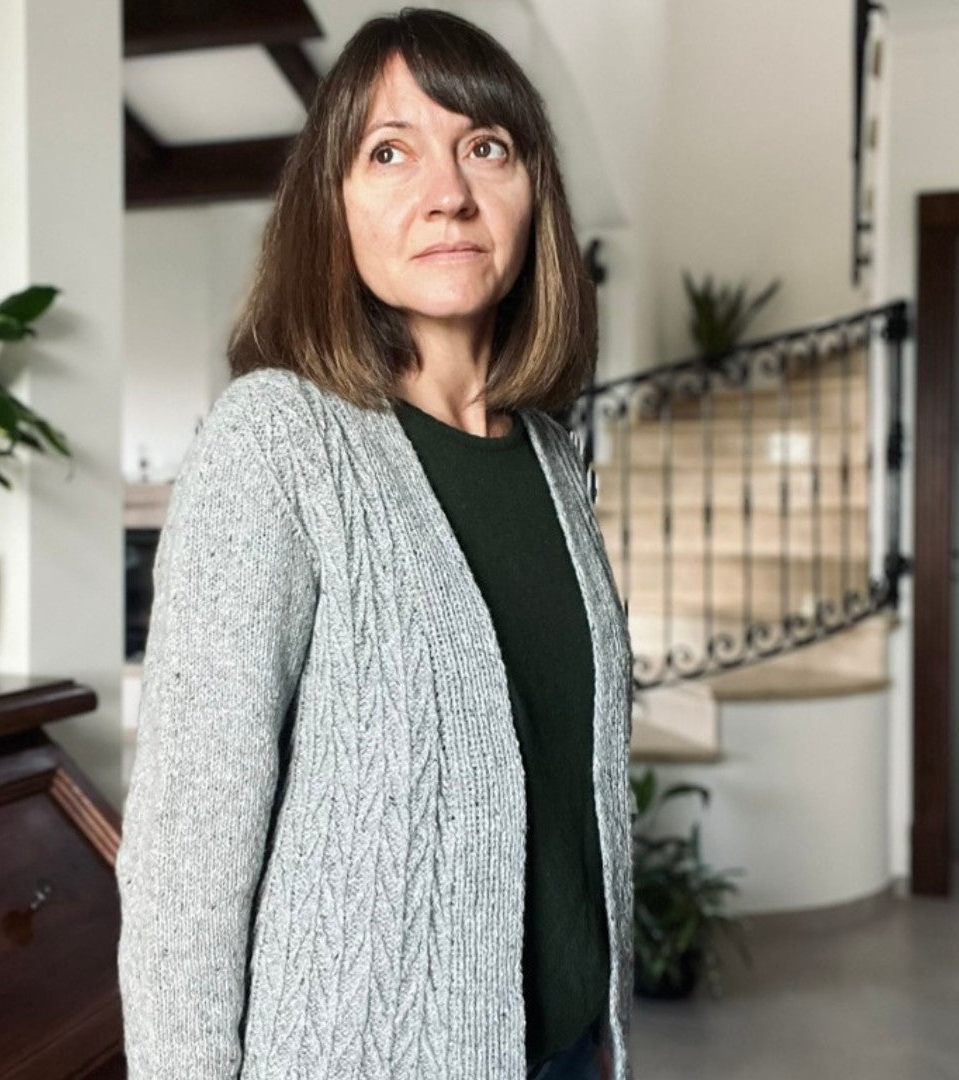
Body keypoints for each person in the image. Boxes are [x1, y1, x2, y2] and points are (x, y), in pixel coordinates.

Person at [114, 8, 634, 1080]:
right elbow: (184, 860)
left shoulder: (552, 458)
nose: (448, 192)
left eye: (485, 147)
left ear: (533, 193)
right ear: (334, 206)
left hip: (573, 1053)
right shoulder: (277, 441)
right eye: (390, 153)